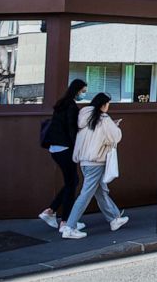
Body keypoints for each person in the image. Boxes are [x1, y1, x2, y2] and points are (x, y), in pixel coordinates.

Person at [61, 92, 128, 239]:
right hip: (97, 161)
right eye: (108, 103)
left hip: (84, 161)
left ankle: (114, 218)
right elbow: (116, 136)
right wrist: (115, 126)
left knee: (100, 191)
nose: (109, 106)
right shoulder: (103, 119)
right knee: (86, 194)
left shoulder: (85, 117)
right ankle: (69, 227)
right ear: (103, 104)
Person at [38, 79, 87, 233]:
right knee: (72, 183)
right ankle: (65, 222)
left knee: (71, 182)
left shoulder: (61, 104)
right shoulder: (71, 107)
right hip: (66, 149)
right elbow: (72, 131)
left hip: (55, 148)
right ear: (77, 90)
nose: (83, 94)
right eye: (83, 91)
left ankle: (51, 211)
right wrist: (78, 150)